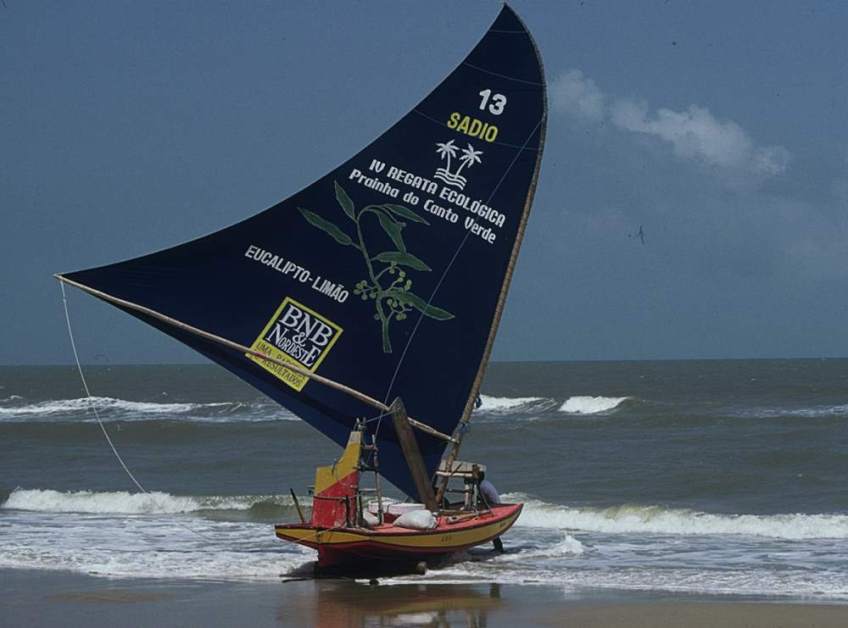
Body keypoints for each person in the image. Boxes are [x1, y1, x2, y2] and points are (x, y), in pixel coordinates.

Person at [477, 471, 504, 553]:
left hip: (494, 507)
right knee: (492, 529)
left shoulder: (481, 486)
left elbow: (484, 501)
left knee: (489, 526)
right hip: (497, 505)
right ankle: (499, 547)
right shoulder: (485, 483)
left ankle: (499, 548)